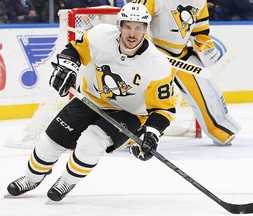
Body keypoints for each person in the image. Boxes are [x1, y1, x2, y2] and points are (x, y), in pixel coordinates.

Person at [6, 2, 176, 202]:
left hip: (129, 113)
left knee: (91, 144)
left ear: (145, 30)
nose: (132, 33)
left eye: (138, 28)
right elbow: (75, 50)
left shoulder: (158, 66)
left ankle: (67, 181)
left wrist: (152, 134)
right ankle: (31, 178)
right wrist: (67, 68)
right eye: (128, 26)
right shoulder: (99, 36)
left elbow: (164, 109)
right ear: (119, 26)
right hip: (90, 99)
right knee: (51, 141)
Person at [132, 0, 241, 145]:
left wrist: (205, 47)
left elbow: (199, 32)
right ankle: (133, 132)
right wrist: (146, 50)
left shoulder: (200, 1)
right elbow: (134, 23)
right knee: (148, 95)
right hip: (156, 52)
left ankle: (218, 127)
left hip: (182, 53)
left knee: (206, 88)